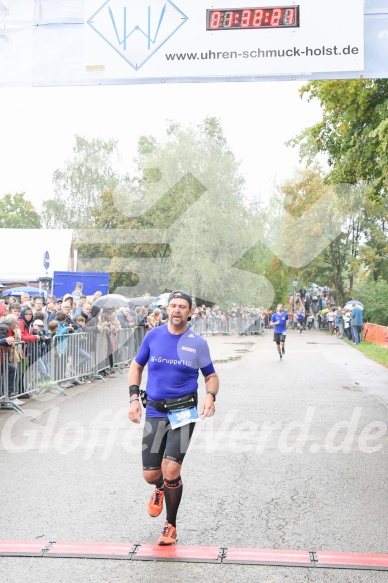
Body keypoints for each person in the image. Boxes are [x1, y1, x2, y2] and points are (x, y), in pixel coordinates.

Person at [128, 290, 219, 546]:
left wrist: (210, 396)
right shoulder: (153, 336)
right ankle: (160, 488)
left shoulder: (197, 343)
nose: (177, 310)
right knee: (151, 475)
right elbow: (136, 366)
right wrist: (134, 398)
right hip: (155, 411)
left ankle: (170, 525)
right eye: (173, 306)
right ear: (167, 309)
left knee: (171, 469)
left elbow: (211, 375)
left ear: (190, 312)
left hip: (182, 412)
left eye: (182, 307)